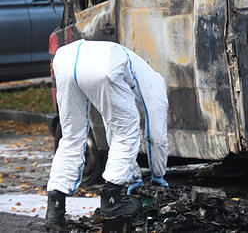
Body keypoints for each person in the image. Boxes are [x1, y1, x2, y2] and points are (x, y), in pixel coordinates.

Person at [45, 40, 168, 229]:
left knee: (71, 135)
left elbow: (111, 126)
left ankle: (55, 207)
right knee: (127, 131)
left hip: (66, 59)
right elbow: (156, 135)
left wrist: (133, 177)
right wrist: (158, 176)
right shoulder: (156, 83)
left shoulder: (134, 67)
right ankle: (112, 199)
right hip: (104, 64)